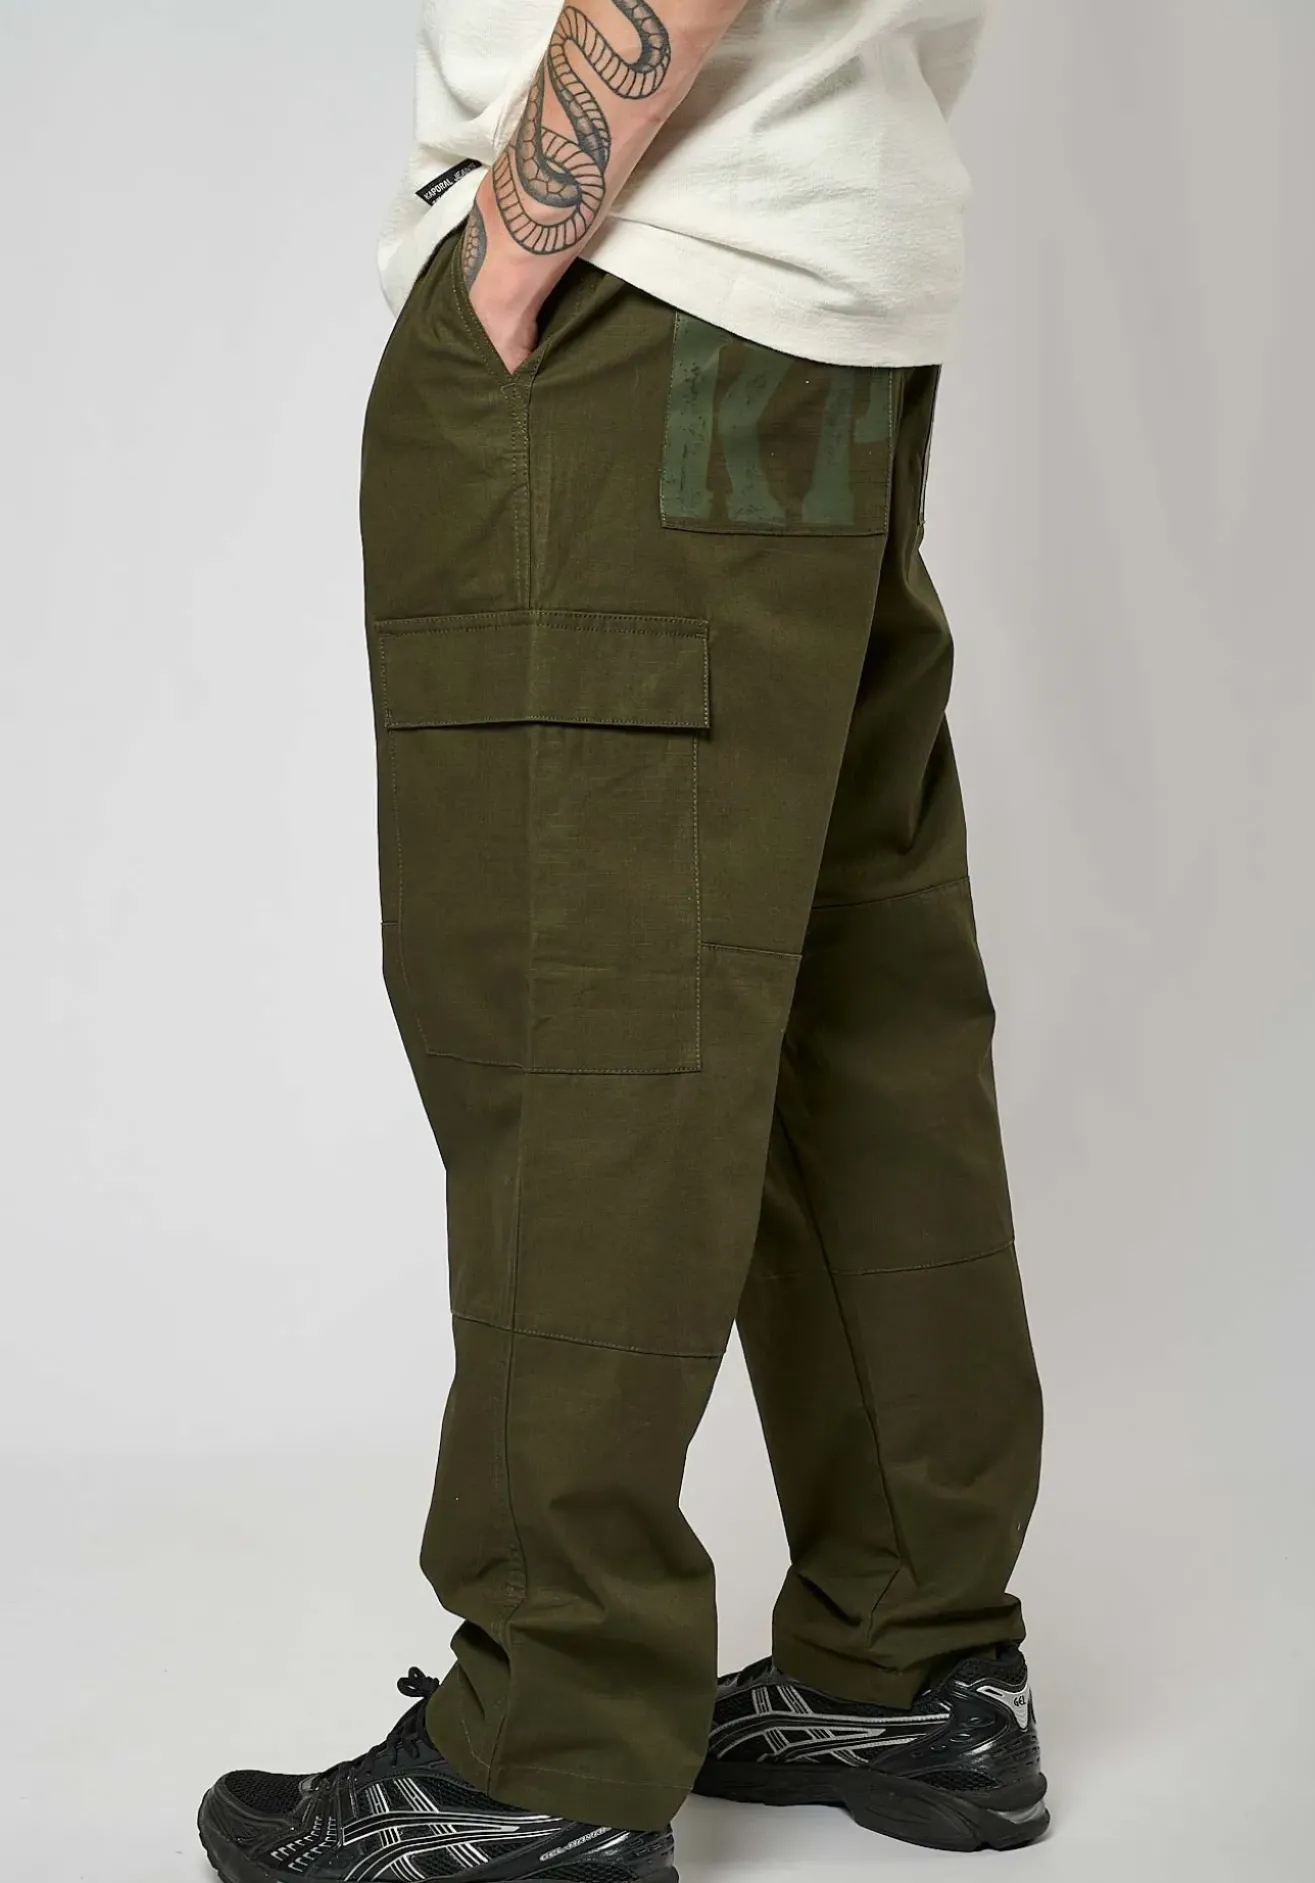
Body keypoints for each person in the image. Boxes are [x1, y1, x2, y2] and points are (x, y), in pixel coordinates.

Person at [198, 2, 1047, 1877]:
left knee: (581, 1014)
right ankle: (908, 1659)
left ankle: (547, 1749)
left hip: (634, 279)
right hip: (822, 302)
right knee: (845, 1009)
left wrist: (519, 230)